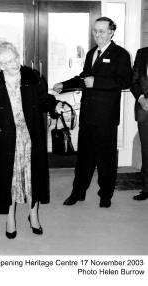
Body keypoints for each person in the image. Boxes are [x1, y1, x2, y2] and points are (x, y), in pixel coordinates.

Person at [0, 41, 62, 239]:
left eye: (15, 58)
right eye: (7, 61)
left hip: (30, 138)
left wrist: (54, 106)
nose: (14, 64)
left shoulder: (32, 77)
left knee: (33, 179)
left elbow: (44, 100)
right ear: (0, 65)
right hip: (5, 140)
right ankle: (10, 219)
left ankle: (33, 215)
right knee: (9, 180)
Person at [53, 17, 132, 208]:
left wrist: (98, 83)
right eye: (95, 31)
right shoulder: (91, 53)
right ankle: (77, 192)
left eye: (102, 31)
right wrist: (65, 85)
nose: (98, 35)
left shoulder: (120, 54)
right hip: (88, 115)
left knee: (106, 158)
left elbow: (125, 81)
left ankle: (106, 195)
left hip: (106, 117)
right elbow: (84, 78)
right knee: (84, 158)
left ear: (112, 32)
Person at [130, 47, 148, 200]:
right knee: (147, 150)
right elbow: (133, 80)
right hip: (145, 109)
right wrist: (141, 99)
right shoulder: (142, 53)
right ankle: (147, 188)